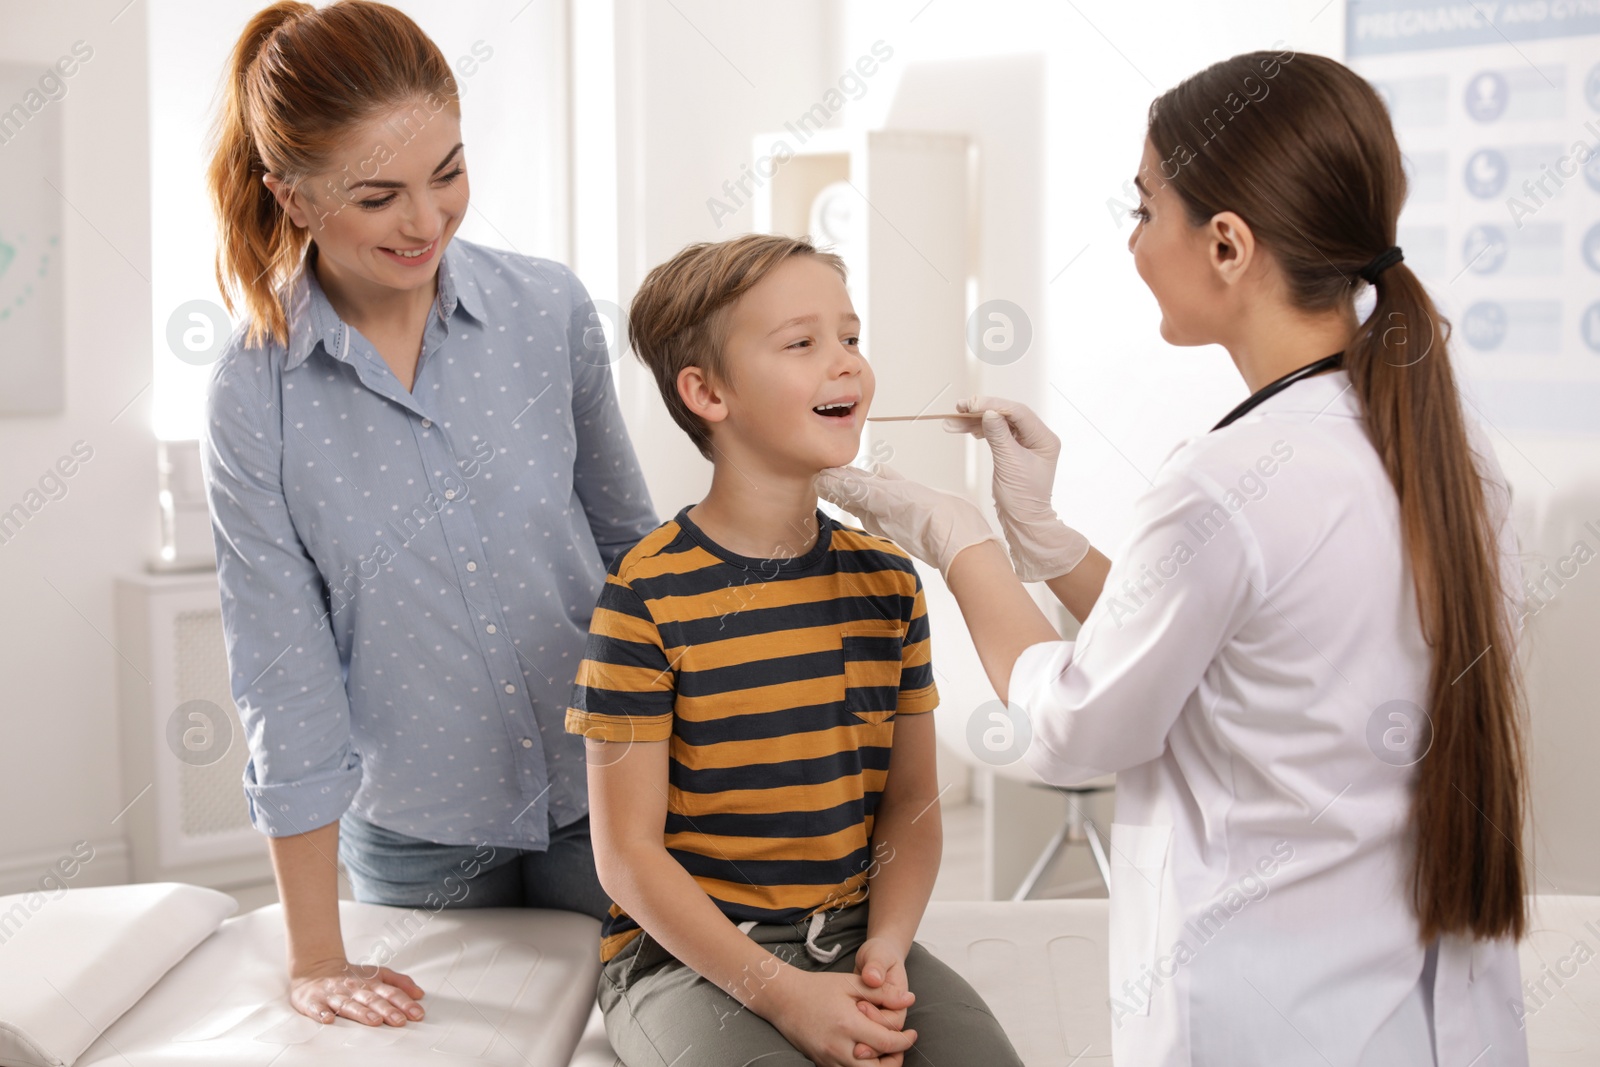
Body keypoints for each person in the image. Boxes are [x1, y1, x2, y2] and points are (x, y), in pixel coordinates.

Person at [819, 51, 1530, 1066]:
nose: (1133, 240)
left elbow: (1073, 726)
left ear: (1228, 244)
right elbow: (1241, 655)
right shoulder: (1448, 449)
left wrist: (960, 541)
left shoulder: (1226, 480)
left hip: (1262, 1019)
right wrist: (1057, 548)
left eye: (1145, 207)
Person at [200, 0, 657, 1029]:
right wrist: (316, 954)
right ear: (293, 195)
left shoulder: (548, 314)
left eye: (447, 172)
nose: (427, 221)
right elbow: (284, 668)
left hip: (611, 790)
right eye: (378, 195)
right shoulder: (252, 390)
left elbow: (635, 555)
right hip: (420, 840)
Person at [564, 234, 1025, 1067]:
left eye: (850, 337)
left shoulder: (889, 581)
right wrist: (785, 994)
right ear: (706, 391)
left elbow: (912, 803)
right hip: (683, 963)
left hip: (849, 936)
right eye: (802, 343)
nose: (845, 363)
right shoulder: (644, 598)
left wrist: (885, 944)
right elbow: (627, 856)